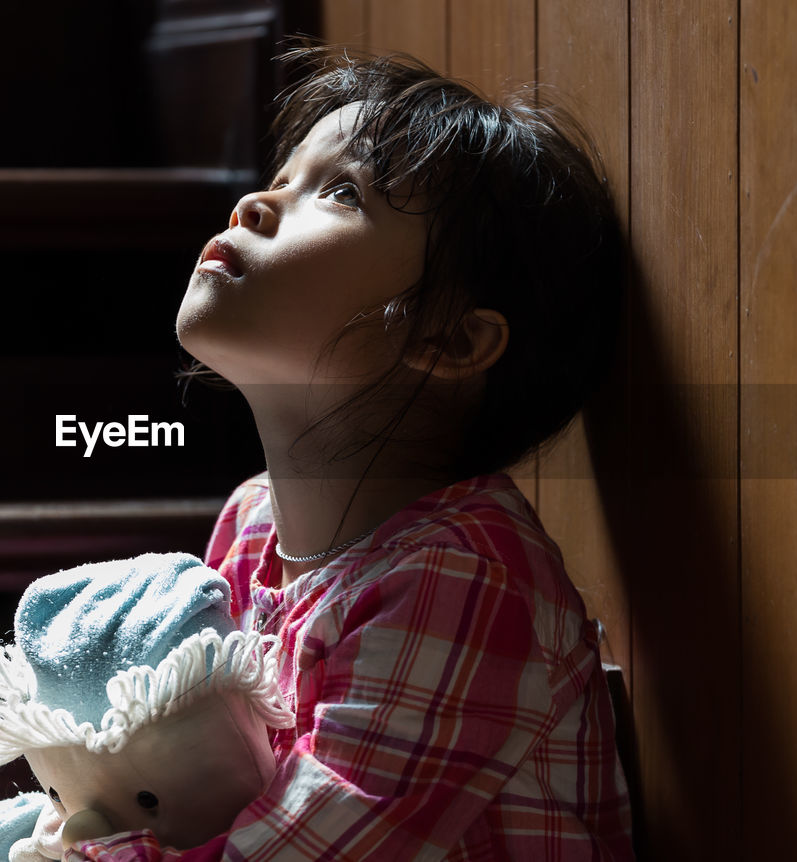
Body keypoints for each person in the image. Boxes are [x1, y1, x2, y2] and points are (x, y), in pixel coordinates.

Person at [58, 45, 634, 861]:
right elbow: (197, 791)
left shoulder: (460, 577)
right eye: (283, 175)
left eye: (339, 191)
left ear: (450, 338)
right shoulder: (253, 522)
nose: (255, 204)